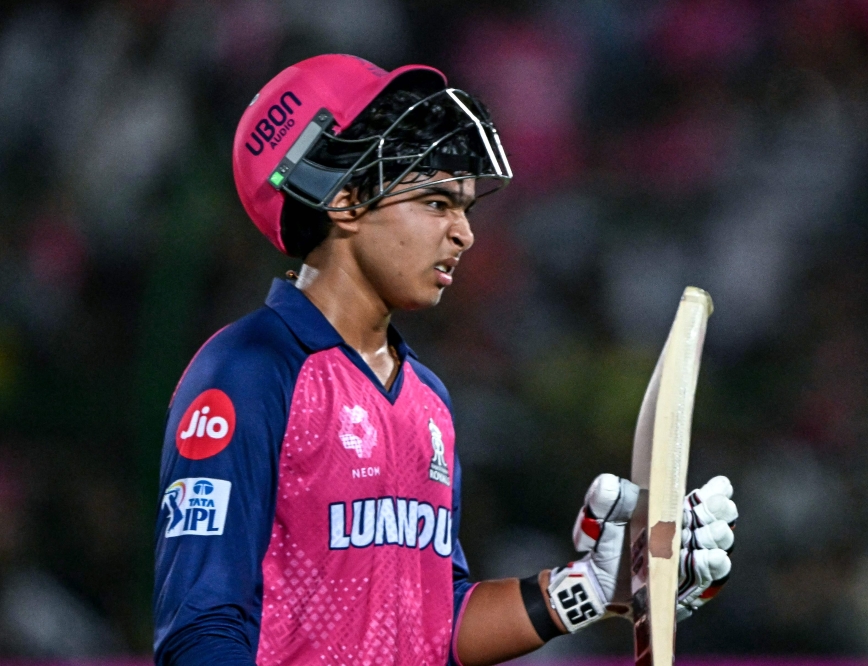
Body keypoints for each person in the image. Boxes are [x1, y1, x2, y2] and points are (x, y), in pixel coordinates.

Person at [153, 54, 737, 666]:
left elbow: (437, 622)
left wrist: (589, 587)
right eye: (436, 202)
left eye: (465, 207)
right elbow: (202, 633)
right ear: (345, 199)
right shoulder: (247, 370)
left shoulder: (427, 399)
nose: (465, 234)